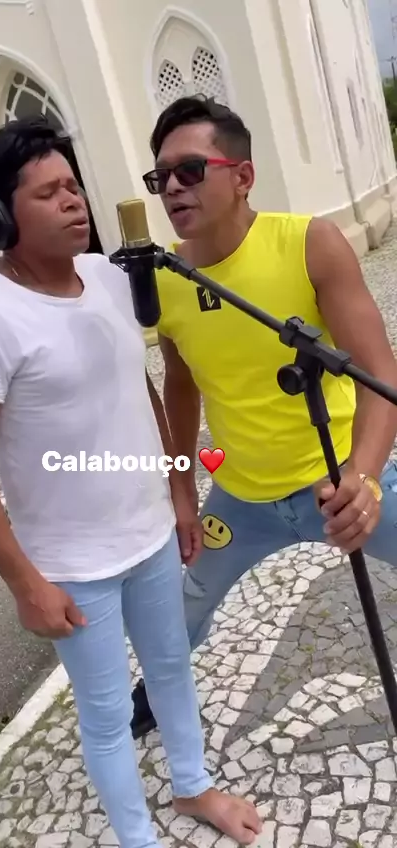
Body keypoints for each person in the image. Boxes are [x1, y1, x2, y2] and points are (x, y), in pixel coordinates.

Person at [0, 117, 262, 848]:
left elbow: (140, 387)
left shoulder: (113, 279)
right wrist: (26, 583)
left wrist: (179, 491)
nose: (73, 201)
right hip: (72, 566)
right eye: (48, 193)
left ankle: (193, 786)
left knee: (172, 670)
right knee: (108, 713)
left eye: (73, 187)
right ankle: (137, 839)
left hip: (150, 536)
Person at [130, 95, 397, 739]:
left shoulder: (309, 243)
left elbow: (380, 375)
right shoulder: (165, 278)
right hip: (241, 498)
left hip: (338, 478)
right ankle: (155, 692)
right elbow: (181, 386)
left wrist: (363, 478)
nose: (172, 187)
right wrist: (182, 491)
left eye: (190, 170)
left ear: (243, 176)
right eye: (161, 177)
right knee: (188, 602)